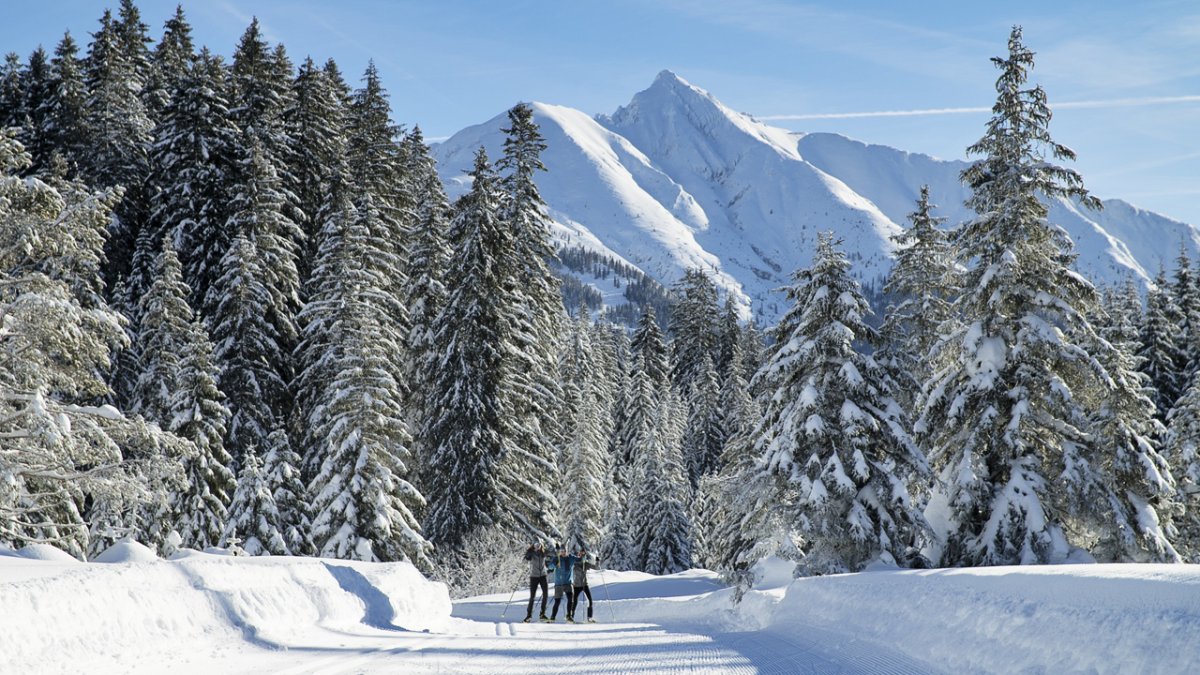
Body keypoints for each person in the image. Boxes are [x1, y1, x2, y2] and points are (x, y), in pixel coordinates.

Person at [545, 543, 579, 623]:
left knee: (571, 598)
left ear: (567, 551)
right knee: (557, 601)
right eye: (561, 551)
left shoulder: (570, 558)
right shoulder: (557, 558)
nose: (563, 552)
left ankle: (569, 616)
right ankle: (552, 617)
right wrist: (552, 564)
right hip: (559, 584)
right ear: (560, 551)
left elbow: (579, 560)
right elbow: (550, 567)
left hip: (568, 583)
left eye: (564, 551)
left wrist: (583, 558)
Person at [523, 541, 549, 623]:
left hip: (543, 576)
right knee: (532, 597)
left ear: (541, 546)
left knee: (545, 595)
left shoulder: (543, 553)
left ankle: (542, 614)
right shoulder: (531, 553)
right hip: (534, 576)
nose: (538, 547)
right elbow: (526, 558)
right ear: (534, 546)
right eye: (536, 545)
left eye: (539, 545)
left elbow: (550, 556)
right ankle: (528, 615)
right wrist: (528, 553)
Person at [571, 546, 599, 623]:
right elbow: (574, 569)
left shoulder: (585, 563)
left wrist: (597, 561)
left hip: (584, 584)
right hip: (576, 585)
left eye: (583, 554)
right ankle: (571, 617)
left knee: (590, 600)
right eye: (581, 553)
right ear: (578, 554)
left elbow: (596, 567)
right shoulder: (575, 563)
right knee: (574, 602)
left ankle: (589, 618)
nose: (582, 555)